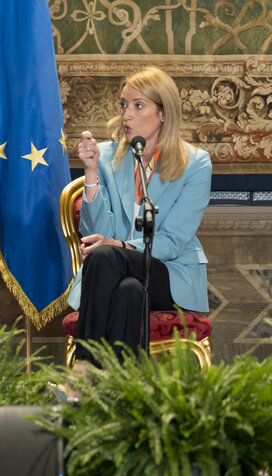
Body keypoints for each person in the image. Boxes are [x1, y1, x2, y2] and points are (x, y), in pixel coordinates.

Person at [66, 66, 211, 363]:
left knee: (105, 255)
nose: (126, 115)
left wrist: (121, 247)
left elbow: (172, 242)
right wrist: (91, 173)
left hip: (168, 273)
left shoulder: (196, 164)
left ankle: (82, 370)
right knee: (130, 291)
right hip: (116, 274)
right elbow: (94, 230)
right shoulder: (105, 156)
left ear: (163, 114)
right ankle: (122, 394)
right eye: (123, 105)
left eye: (138, 105)